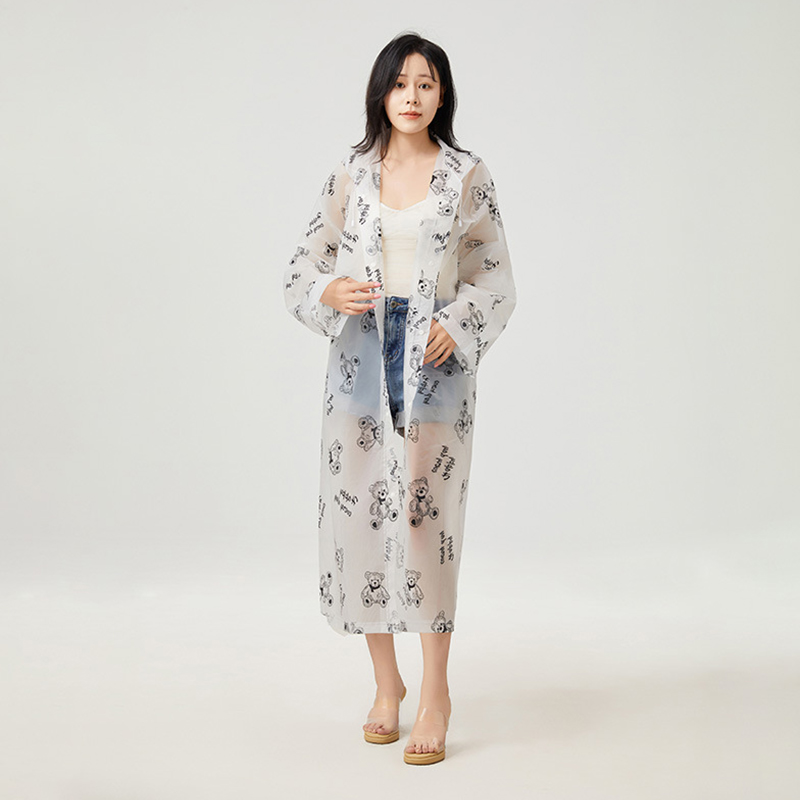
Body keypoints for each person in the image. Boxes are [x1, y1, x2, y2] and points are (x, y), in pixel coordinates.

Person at [283, 31, 516, 765]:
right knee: (361, 527)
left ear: (442, 95)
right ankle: (387, 686)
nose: (412, 96)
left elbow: (495, 276)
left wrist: (458, 323)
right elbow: (302, 266)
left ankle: (436, 693)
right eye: (400, 83)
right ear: (380, 93)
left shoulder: (466, 176)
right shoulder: (351, 174)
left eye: (426, 83)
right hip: (359, 362)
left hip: (434, 367)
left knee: (424, 524)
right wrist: (330, 290)